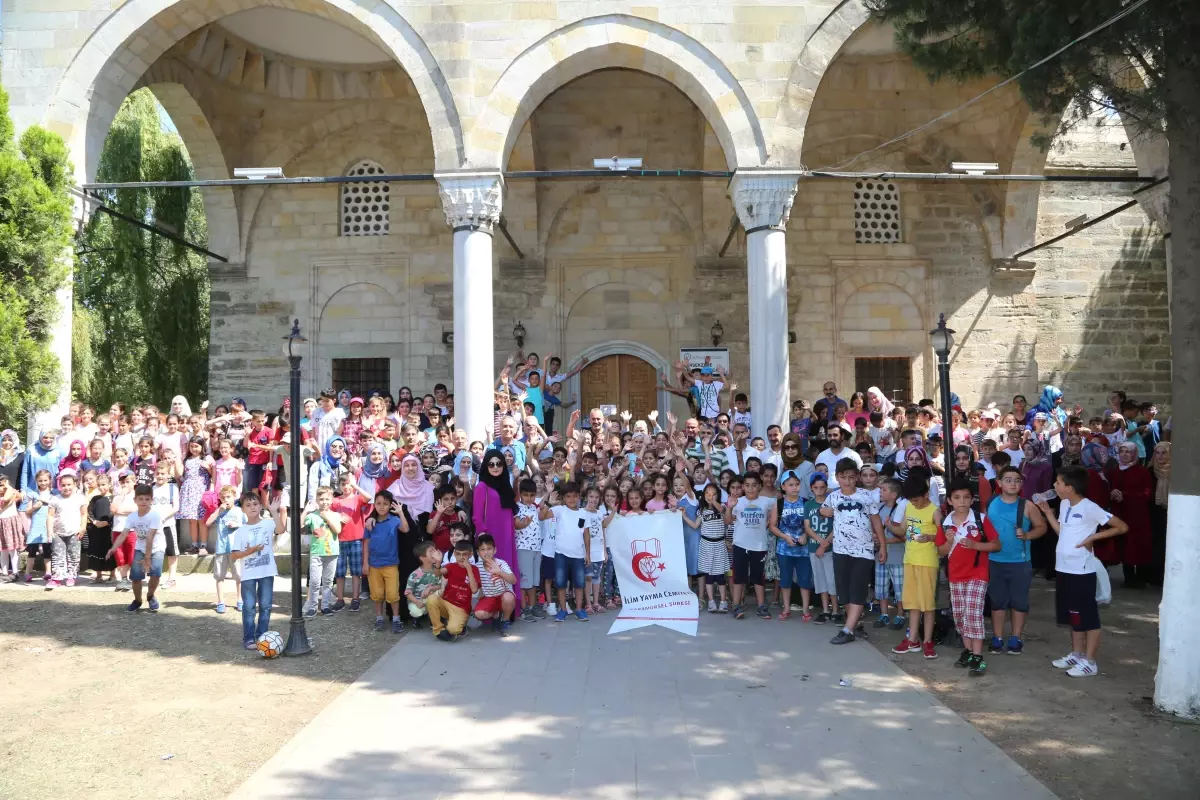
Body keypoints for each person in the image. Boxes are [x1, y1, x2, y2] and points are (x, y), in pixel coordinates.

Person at [1036, 466, 1129, 678]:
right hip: (1063, 567)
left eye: (1058, 483)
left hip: (1081, 570)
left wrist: (1092, 538)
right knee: (1073, 614)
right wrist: (1048, 513)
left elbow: (1121, 527)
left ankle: (1090, 661)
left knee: (1088, 616)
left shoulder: (1090, 508)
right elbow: (1063, 532)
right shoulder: (1064, 503)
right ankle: (1077, 654)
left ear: (1069, 487)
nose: (1054, 486)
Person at [937, 480, 1001, 676]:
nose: (962, 501)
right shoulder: (945, 522)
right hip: (956, 575)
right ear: (949, 500)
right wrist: (948, 542)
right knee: (960, 616)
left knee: (973, 612)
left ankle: (977, 655)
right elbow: (941, 552)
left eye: (966, 497)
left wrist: (976, 546)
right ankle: (967, 650)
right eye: (957, 497)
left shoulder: (980, 520)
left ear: (972, 499)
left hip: (977, 573)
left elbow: (996, 545)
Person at [819, 459, 885, 644]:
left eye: (851, 477)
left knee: (858, 589)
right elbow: (822, 510)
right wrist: (825, 511)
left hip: (863, 550)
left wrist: (883, 545)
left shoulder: (866, 496)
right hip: (840, 550)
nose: (847, 481)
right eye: (843, 477)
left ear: (857, 477)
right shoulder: (833, 497)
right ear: (837, 478)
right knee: (844, 592)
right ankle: (854, 624)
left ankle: (847, 630)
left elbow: (876, 521)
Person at [986, 466, 1047, 654]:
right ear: (999, 483)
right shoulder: (991, 503)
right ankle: (997, 637)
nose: (1013, 483)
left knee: (1019, 602)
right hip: (994, 559)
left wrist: (1028, 535)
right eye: (1008, 479)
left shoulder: (1027, 505)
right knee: (997, 602)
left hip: (1020, 562)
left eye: (1017, 480)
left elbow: (1042, 527)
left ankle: (1016, 638)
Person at [890, 468, 941, 658]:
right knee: (912, 603)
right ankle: (912, 640)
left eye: (917, 499)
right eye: (911, 500)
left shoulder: (934, 512)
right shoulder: (909, 507)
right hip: (909, 560)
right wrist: (889, 526)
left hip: (927, 562)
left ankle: (927, 641)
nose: (914, 503)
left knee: (927, 604)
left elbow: (943, 538)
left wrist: (930, 537)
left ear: (926, 494)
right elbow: (903, 529)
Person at [228, 492, 286, 649]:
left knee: (266, 605)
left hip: (267, 571)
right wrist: (249, 551)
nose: (252, 507)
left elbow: (281, 530)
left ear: (260, 506)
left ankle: (262, 636)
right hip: (248, 574)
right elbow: (234, 555)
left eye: (255, 504)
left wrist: (274, 511)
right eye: (248, 505)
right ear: (243, 510)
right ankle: (248, 638)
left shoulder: (267, 524)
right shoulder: (241, 531)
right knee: (249, 606)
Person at [725, 472, 775, 620]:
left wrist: (765, 527)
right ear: (743, 487)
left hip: (759, 546)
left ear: (759, 486)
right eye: (747, 485)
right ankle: (736, 605)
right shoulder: (737, 502)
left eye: (754, 485)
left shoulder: (767, 502)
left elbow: (773, 519)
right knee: (739, 577)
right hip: (740, 545)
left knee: (758, 578)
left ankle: (761, 606)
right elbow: (728, 521)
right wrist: (729, 507)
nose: (751, 488)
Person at [473, 448, 520, 604]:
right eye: (491, 464)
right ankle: (492, 609)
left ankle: (509, 608)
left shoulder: (506, 485)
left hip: (507, 536)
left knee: (507, 570)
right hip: (490, 537)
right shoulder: (482, 487)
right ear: (486, 466)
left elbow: (512, 509)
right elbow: (477, 516)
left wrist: (517, 481)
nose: (495, 467)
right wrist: (483, 537)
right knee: (491, 573)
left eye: (499, 464)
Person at [539, 482, 590, 622]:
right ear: (563, 498)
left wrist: (588, 554)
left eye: (575, 496)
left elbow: (586, 534)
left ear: (579, 496)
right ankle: (562, 610)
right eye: (568, 496)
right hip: (561, 554)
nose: (572, 499)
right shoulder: (559, 510)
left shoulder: (584, 513)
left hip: (579, 555)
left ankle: (579, 609)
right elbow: (542, 517)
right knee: (561, 583)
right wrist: (549, 502)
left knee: (579, 583)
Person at [110, 484, 164, 612]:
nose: (144, 502)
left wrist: (147, 558)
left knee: (155, 574)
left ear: (152, 500)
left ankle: (150, 596)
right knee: (136, 577)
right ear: (135, 500)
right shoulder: (132, 517)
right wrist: (113, 548)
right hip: (140, 548)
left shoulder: (155, 516)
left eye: (147, 499)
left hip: (157, 548)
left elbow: (150, 537)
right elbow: (124, 533)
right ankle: (138, 600)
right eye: (140, 499)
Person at [1106, 441, 1153, 588]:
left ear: (1135, 453)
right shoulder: (1116, 471)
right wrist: (1113, 493)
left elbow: (1147, 493)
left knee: (1138, 545)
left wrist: (1125, 496)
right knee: (1124, 544)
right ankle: (1128, 578)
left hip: (1137, 515)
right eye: (1122, 451)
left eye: (1128, 451)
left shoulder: (1142, 471)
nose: (1125, 455)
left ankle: (1141, 579)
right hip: (1121, 513)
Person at [771, 469, 812, 621]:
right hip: (784, 549)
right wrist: (784, 537)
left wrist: (805, 535)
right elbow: (773, 526)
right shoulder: (779, 504)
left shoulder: (806, 503)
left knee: (805, 580)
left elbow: (811, 525)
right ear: (783, 486)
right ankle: (786, 608)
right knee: (786, 580)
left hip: (803, 550)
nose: (794, 487)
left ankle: (806, 609)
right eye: (790, 485)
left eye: (797, 484)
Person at [363, 490, 405, 634]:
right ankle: (379, 618)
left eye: (385, 504)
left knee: (393, 594)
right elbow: (366, 543)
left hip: (391, 564)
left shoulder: (394, 520)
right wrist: (365, 563)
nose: (381, 507)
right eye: (379, 503)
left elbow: (405, 529)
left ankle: (396, 619)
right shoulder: (370, 523)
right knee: (377, 594)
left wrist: (400, 512)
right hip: (374, 565)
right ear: (374, 504)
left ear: (390, 505)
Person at [429, 538, 480, 641]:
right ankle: (438, 630)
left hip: (461, 608)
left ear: (470, 554)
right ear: (454, 554)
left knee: (453, 630)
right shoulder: (451, 566)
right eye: (458, 554)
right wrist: (438, 563)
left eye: (464, 554)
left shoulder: (474, 569)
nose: (461, 557)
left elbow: (474, 590)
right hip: (446, 602)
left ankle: (457, 625)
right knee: (431, 599)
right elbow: (438, 573)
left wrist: (468, 569)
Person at [303, 486, 343, 618]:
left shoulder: (335, 515)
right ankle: (312, 606)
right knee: (314, 581)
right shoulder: (312, 516)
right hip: (316, 553)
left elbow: (337, 530)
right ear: (317, 500)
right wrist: (305, 511)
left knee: (328, 581)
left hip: (332, 553)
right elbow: (299, 525)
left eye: (327, 499)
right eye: (321, 499)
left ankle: (325, 606)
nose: (324, 502)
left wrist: (327, 517)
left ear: (331, 500)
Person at [804, 473, 837, 623]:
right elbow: (807, 527)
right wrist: (819, 541)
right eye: (816, 487)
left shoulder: (832, 504)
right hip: (813, 547)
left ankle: (836, 610)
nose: (819, 490)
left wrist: (825, 544)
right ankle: (825, 610)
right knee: (820, 580)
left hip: (830, 548)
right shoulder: (809, 505)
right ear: (811, 488)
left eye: (822, 487)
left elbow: (837, 526)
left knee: (832, 580)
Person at [45, 472, 87, 589]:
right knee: (57, 555)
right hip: (58, 532)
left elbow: (84, 514)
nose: (66, 487)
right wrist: (49, 530)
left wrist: (82, 527)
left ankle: (71, 576)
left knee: (73, 555)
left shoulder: (80, 498)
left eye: (69, 485)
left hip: (74, 532)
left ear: (75, 484)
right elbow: (50, 516)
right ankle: (57, 578)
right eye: (63, 485)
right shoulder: (55, 499)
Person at [874, 477, 906, 631]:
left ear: (893, 494)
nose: (880, 492)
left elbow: (904, 537)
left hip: (897, 556)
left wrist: (884, 541)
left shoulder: (902, 509)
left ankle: (900, 614)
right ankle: (884, 613)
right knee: (881, 586)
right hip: (880, 555)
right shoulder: (879, 509)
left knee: (900, 588)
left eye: (884, 490)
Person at [693, 483, 730, 613]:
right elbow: (695, 525)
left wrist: (714, 502)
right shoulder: (701, 510)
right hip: (706, 544)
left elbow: (721, 511)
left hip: (719, 544)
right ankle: (711, 601)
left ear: (718, 495)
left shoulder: (722, 507)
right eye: (707, 493)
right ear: (703, 495)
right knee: (708, 575)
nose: (710, 496)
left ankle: (724, 601)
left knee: (720, 575)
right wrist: (683, 515)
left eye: (713, 493)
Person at [206, 485, 243, 614]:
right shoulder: (220, 511)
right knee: (219, 576)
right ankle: (221, 601)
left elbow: (247, 526)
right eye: (223, 498)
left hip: (236, 549)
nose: (226, 500)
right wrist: (218, 511)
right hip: (221, 548)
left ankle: (240, 599)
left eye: (228, 497)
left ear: (234, 497)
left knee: (239, 576)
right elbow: (208, 523)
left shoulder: (239, 511)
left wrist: (237, 525)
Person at [474, 533, 518, 635]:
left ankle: (505, 620)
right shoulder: (477, 567)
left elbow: (514, 580)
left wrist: (499, 572)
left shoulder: (501, 564)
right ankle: (496, 614)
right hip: (489, 598)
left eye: (489, 549)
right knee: (478, 614)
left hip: (504, 596)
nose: (486, 552)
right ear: (478, 552)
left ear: (495, 550)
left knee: (508, 597)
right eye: (482, 549)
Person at [514, 478, 544, 621]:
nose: (529, 498)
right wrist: (523, 524)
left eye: (532, 495)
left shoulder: (534, 507)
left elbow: (543, 506)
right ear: (520, 494)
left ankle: (532, 607)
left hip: (536, 549)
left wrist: (549, 493)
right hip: (523, 548)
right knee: (524, 581)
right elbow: (515, 525)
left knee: (533, 582)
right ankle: (524, 608)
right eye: (526, 495)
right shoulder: (517, 507)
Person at [83, 474, 115, 584]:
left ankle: (112, 574)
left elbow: (114, 512)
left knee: (109, 550)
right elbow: (90, 512)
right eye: (99, 485)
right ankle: (98, 575)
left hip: (109, 530)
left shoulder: (113, 498)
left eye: (104, 485)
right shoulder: (95, 498)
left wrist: (106, 522)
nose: (101, 487)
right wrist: (95, 522)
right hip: (96, 529)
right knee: (97, 550)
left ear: (109, 484)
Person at [404, 541, 443, 628]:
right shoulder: (415, 574)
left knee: (440, 594)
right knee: (416, 611)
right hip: (419, 600)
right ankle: (417, 618)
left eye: (435, 550)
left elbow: (442, 585)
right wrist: (416, 602)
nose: (435, 553)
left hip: (433, 598)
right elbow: (408, 592)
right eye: (431, 551)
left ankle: (433, 618)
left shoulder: (438, 570)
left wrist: (432, 588)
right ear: (422, 558)